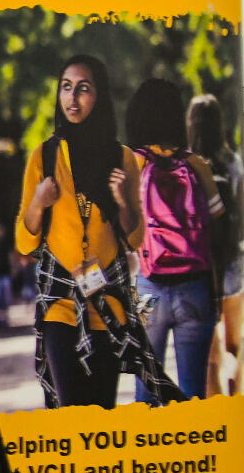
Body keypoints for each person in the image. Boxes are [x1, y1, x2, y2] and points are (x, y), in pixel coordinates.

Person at [14, 54, 177, 408]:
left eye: (83, 89)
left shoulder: (122, 159)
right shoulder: (43, 157)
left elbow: (135, 239)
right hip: (61, 305)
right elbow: (25, 241)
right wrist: (39, 203)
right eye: (66, 88)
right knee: (71, 412)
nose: (72, 98)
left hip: (109, 309)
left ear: (99, 96)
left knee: (102, 412)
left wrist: (122, 202)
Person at [125, 77, 222, 407]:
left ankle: (149, 456)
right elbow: (217, 232)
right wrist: (217, 293)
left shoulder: (132, 164)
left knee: (146, 395)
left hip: (149, 289)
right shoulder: (197, 166)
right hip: (195, 289)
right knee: (194, 395)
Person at [187, 93, 244, 396]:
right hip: (233, 260)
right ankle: (236, 407)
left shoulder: (187, 165)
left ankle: (217, 418)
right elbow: (243, 213)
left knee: (210, 357)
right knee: (234, 345)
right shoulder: (233, 162)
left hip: (201, 267)